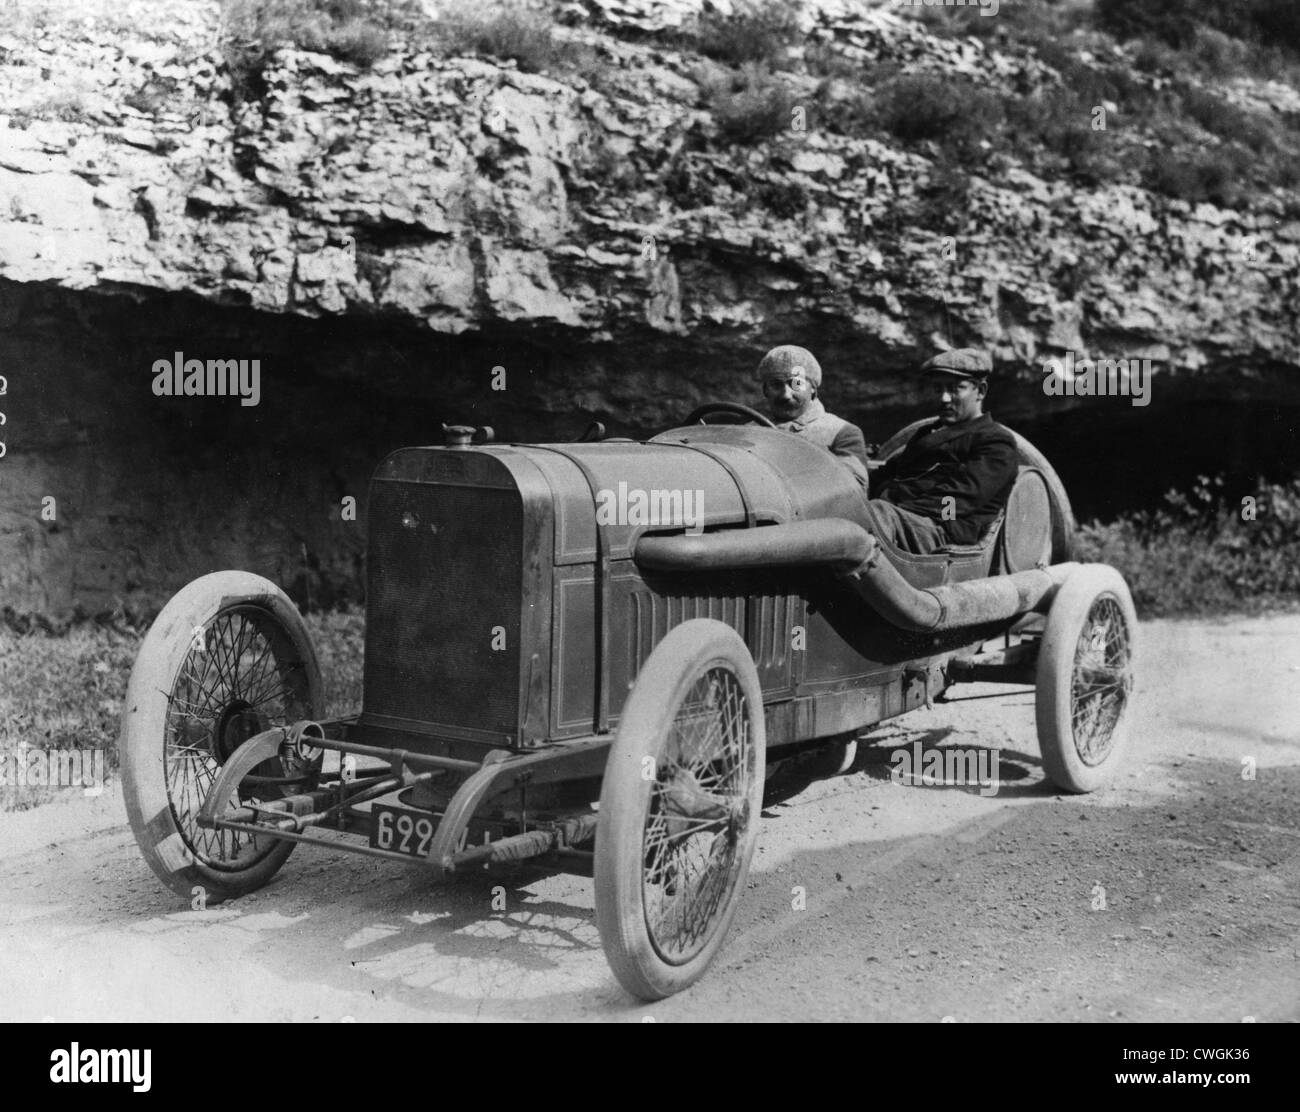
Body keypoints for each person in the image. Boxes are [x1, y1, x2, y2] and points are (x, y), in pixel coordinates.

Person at [868, 348, 1018, 555]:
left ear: (981, 391)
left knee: (876, 514)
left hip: (944, 529)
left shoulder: (994, 442)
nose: (945, 398)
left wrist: (896, 505)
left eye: (956, 389)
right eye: (938, 389)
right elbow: (891, 473)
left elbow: (957, 503)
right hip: (904, 519)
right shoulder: (927, 433)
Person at [755, 345, 869, 487]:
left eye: (796, 384)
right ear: (765, 390)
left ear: (813, 389)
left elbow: (853, 492)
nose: (786, 395)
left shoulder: (842, 433)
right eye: (776, 385)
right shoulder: (750, 431)